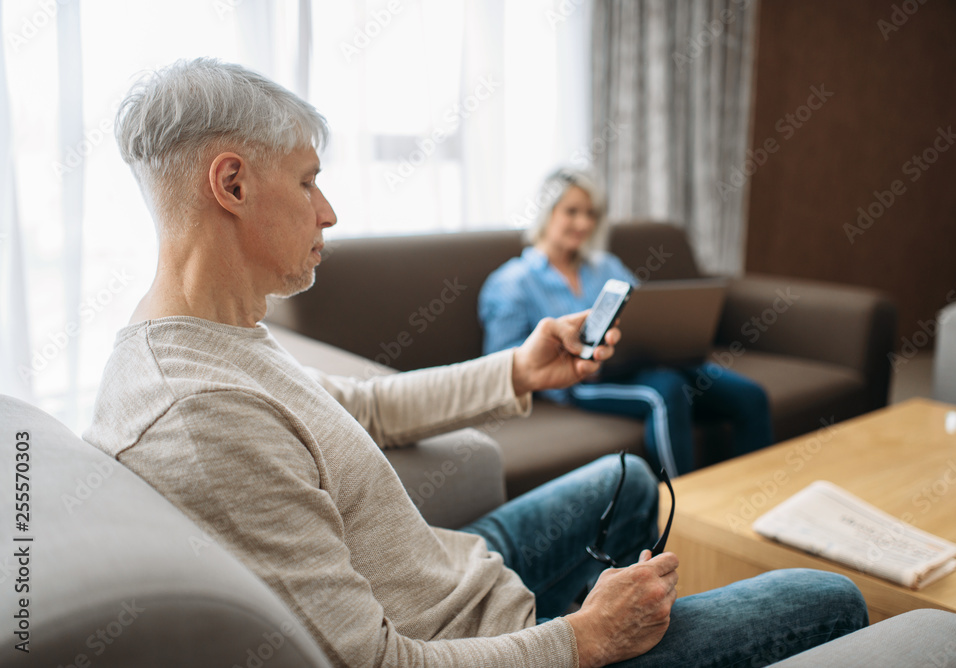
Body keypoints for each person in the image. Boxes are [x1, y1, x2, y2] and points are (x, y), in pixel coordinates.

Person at [85, 58, 866, 667]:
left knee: (628, 477)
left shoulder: (225, 337)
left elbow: (368, 408)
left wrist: (518, 371)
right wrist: (586, 640)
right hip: (460, 638)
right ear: (232, 183)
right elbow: (370, 661)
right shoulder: (200, 413)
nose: (328, 210)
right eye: (308, 180)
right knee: (829, 597)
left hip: (455, 577)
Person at [479, 169, 774, 479]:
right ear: (546, 212)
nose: (584, 224)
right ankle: (681, 514)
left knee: (751, 396)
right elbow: (502, 360)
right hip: (584, 379)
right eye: (572, 212)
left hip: (645, 360)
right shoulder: (512, 282)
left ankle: (754, 498)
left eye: (591, 214)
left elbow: (644, 314)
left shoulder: (605, 265)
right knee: (667, 392)